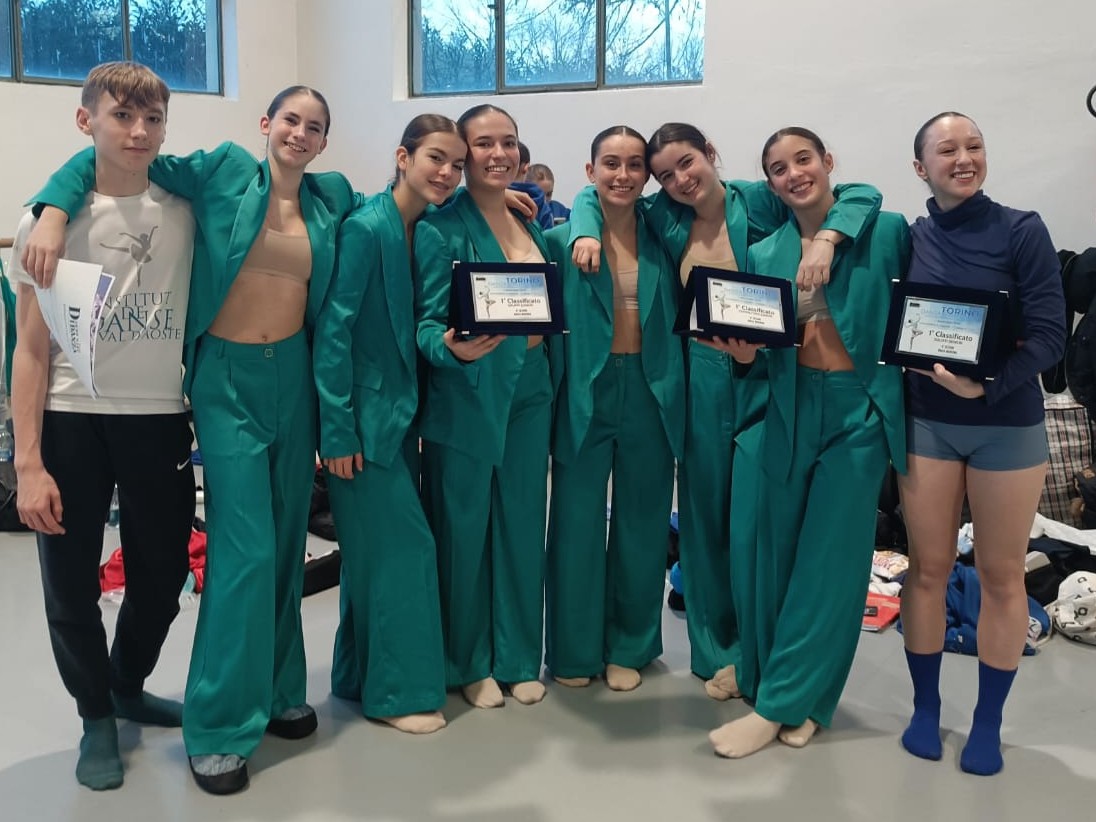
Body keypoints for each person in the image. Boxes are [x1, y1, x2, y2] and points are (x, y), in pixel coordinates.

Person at [24, 86, 359, 794]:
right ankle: (220, 723)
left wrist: (500, 199)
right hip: (225, 379)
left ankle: (277, 689)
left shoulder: (330, 198)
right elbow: (121, 159)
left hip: (293, 377)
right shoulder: (224, 170)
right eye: (290, 119)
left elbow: (398, 211)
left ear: (326, 140)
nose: (300, 134)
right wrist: (52, 206)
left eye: (315, 126)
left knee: (285, 541)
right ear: (267, 123)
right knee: (244, 550)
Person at [568, 122, 882, 702]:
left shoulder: (759, 199)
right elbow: (596, 196)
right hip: (700, 374)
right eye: (665, 175)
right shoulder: (666, 217)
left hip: (770, 373)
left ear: (710, 153)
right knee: (703, 516)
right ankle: (716, 650)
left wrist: (826, 239)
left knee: (754, 517)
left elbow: (860, 193)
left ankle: (759, 649)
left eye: (688, 163)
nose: (681, 180)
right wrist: (585, 226)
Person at [9, 61, 196, 791]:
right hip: (71, 421)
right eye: (122, 116)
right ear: (86, 121)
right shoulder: (44, 223)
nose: (139, 131)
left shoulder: (184, 210)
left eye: (152, 119)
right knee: (69, 585)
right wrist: (29, 463)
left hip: (158, 420)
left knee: (164, 574)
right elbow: (30, 351)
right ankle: (94, 715)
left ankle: (125, 683)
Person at [707, 126, 909, 759]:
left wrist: (827, 239)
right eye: (778, 168)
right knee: (770, 554)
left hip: (857, 411)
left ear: (828, 162)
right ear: (768, 182)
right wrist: (741, 355)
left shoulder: (882, 231)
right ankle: (774, 681)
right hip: (786, 406)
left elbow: (867, 195)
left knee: (830, 563)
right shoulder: (764, 252)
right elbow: (756, 351)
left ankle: (785, 703)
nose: (794, 174)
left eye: (804, 159)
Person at [896, 112, 1065, 775]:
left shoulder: (1022, 229)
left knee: (1000, 574)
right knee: (927, 569)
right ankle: (925, 709)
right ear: (921, 168)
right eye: (947, 150)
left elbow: (1049, 337)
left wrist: (985, 386)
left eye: (974, 146)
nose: (963, 158)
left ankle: (988, 722)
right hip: (928, 424)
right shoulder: (910, 238)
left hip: (1007, 425)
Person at [314, 114, 468, 734]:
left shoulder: (422, 229)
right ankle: (398, 694)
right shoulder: (366, 227)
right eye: (436, 158)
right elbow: (334, 331)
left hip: (401, 421)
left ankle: (356, 675)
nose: (448, 173)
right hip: (362, 424)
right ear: (403, 157)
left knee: (371, 558)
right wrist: (337, 429)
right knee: (407, 549)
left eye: (457, 164)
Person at [413, 104, 553, 709]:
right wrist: (449, 349)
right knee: (464, 530)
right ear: (463, 154)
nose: (500, 154)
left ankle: (518, 656)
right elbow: (424, 323)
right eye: (485, 143)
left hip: (532, 390)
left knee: (522, 524)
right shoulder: (440, 229)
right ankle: (467, 661)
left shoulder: (531, 223)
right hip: (468, 392)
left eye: (509, 142)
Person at [542, 126, 683, 691]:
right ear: (590, 170)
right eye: (610, 163)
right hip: (586, 389)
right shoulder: (560, 241)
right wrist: (583, 222)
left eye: (634, 164)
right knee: (575, 520)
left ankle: (630, 644)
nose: (622, 175)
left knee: (643, 521)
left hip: (651, 388)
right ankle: (574, 651)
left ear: (647, 174)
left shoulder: (664, 234)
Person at [510, 142, 555, 230]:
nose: (545, 199)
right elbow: (548, 235)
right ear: (526, 168)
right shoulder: (542, 207)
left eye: (549, 194)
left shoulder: (486, 199)